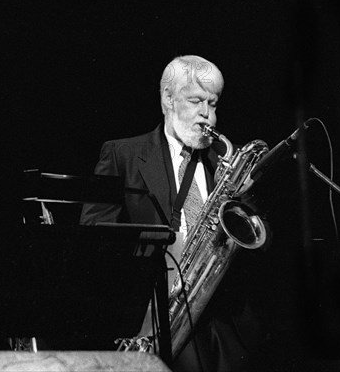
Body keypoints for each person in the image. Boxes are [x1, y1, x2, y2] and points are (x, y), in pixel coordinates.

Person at [80, 55, 270, 371]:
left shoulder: (225, 162)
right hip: (158, 317)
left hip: (226, 322)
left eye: (213, 104)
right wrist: (164, 247)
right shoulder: (122, 154)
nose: (207, 116)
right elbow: (94, 231)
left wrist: (243, 195)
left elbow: (261, 239)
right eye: (196, 101)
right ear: (168, 98)